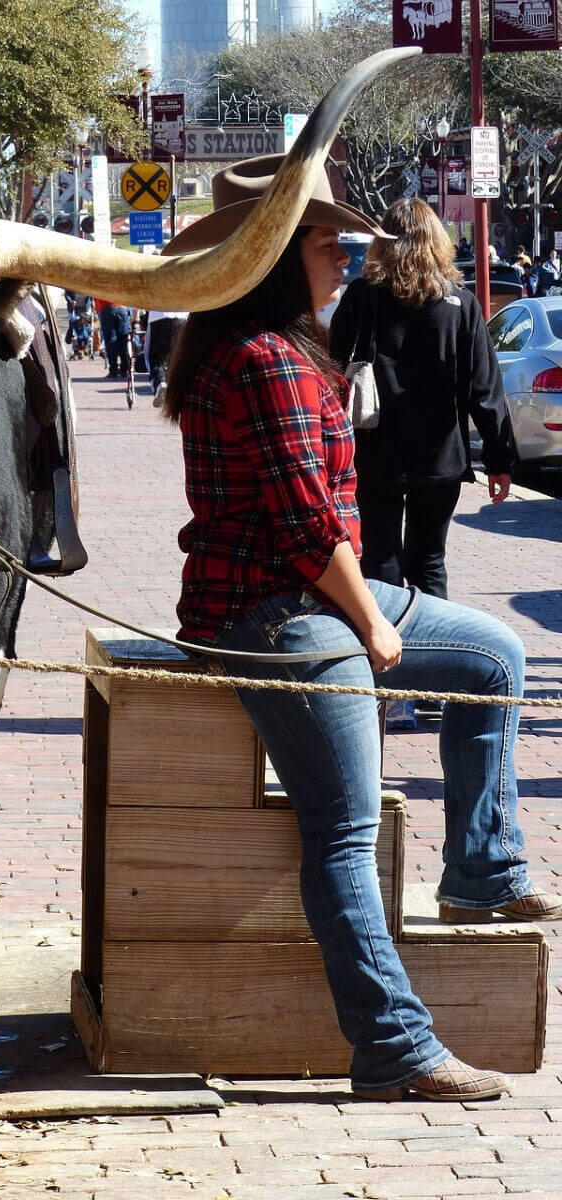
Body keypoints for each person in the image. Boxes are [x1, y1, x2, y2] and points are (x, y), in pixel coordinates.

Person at [161, 154, 562, 1102]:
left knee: (495, 653)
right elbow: (308, 530)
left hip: (307, 594)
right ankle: (392, 1044)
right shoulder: (264, 360)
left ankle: (481, 868)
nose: (345, 257)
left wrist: (369, 610)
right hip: (274, 614)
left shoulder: (279, 348)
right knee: (341, 832)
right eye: (326, 242)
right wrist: (375, 626)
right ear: (270, 257)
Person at [330, 199, 514, 725]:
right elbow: (484, 389)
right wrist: (500, 459)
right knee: (429, 561)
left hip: (374, 452)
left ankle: (389, 681)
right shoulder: (459, 303)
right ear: (437, 241)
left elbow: (333, 366)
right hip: (440, 455)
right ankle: (435, 680)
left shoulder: (363, 297)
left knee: (380, 562)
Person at [144, 309, 187, 407]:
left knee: (155, 357)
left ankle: (160, 382)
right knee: (176, 357)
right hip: (182, 316)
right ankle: (175, 390)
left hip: (159, 315)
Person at [94, 298, 131, 378]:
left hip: (107, 308)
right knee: (123, 340)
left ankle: (113, 370)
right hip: (122, 307)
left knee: (110, 341)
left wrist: (98, 310)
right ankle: (124, 369)